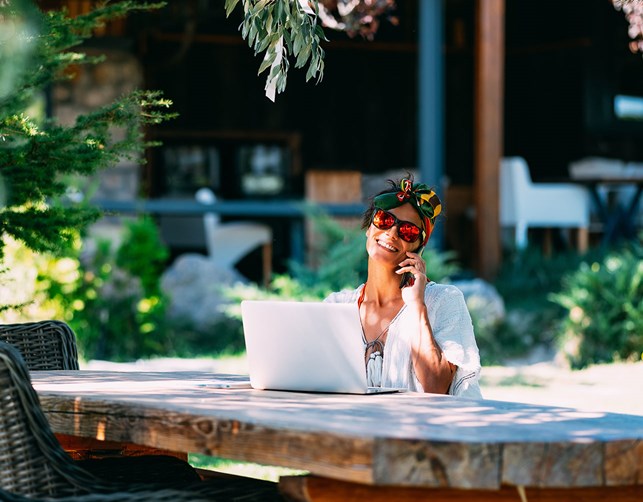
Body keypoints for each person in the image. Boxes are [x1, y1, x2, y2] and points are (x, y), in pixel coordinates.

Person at [324, 175, 482, 398]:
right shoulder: (335, 307)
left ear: (418, 248)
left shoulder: (443, 301)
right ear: (369, 228)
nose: (392, 232)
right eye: (384, 220)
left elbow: (436, 387)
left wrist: (417, 307)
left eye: (408, 231)